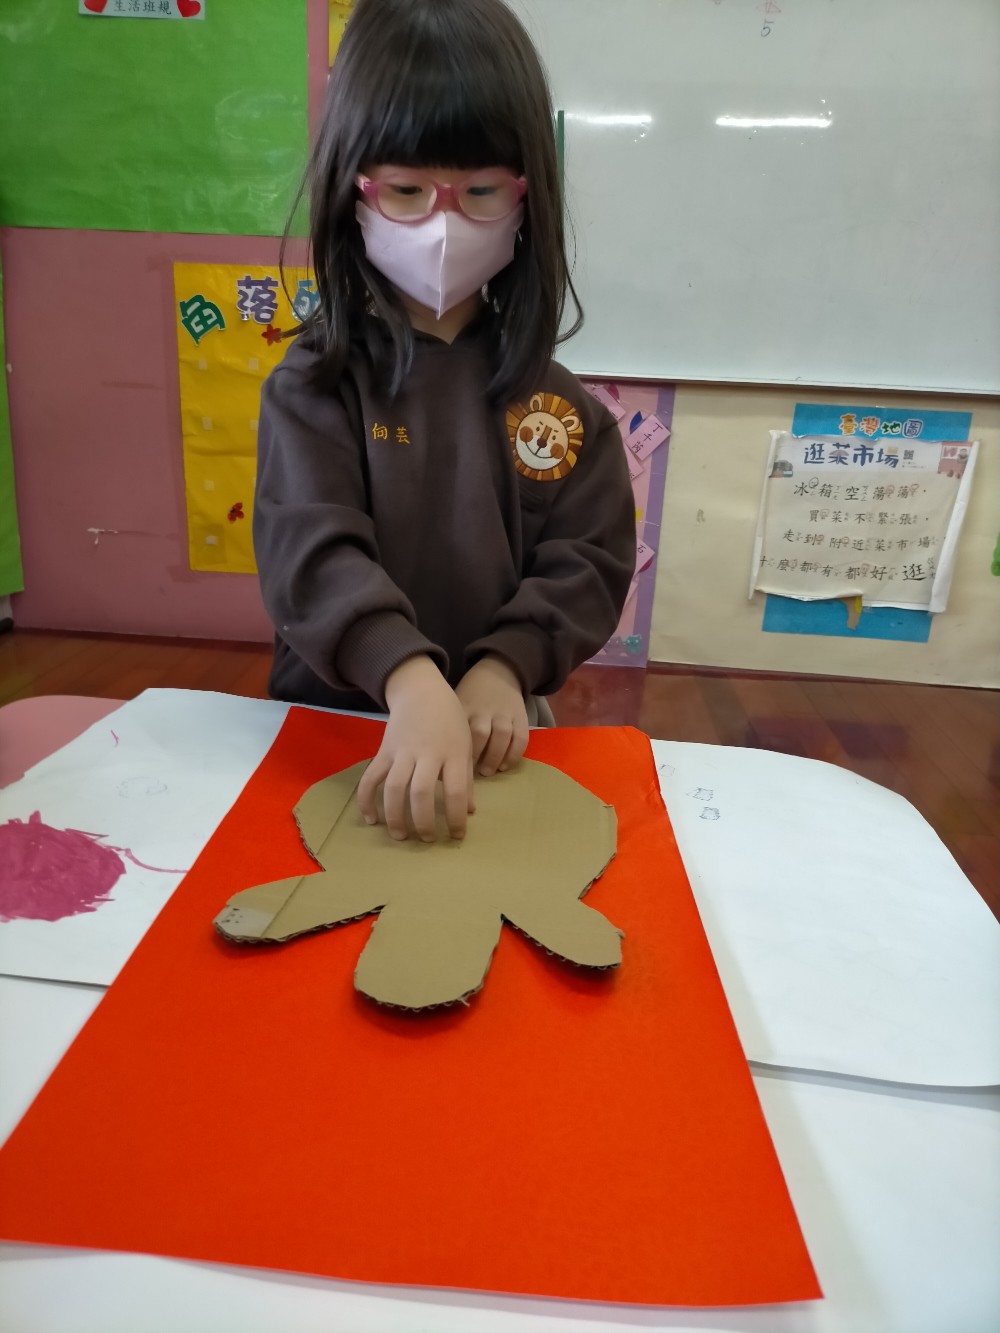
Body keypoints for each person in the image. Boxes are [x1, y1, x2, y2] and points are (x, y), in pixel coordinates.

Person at [255, 0, 636, 844]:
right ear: (351, 189)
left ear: (527, 196)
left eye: (481, 191)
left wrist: (505, 666)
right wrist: (407, 675)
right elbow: (309, 554)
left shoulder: (562, 410)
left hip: (496, 731)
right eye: (406, 190)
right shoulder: (314, 386)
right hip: (337, 725)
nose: (443, 221)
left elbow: (588, 560)